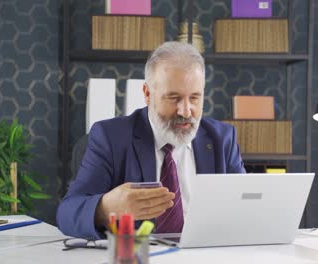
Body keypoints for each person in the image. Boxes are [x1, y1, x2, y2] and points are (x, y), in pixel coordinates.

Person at [56, 41, 246, 239]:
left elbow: (246, 208)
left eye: (195, 98)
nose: (186, 110)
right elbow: (67, 213)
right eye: (174, 98)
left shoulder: (222, 139)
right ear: (147, 94)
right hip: (138, 257)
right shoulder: (111, 138)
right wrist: (105, 208)